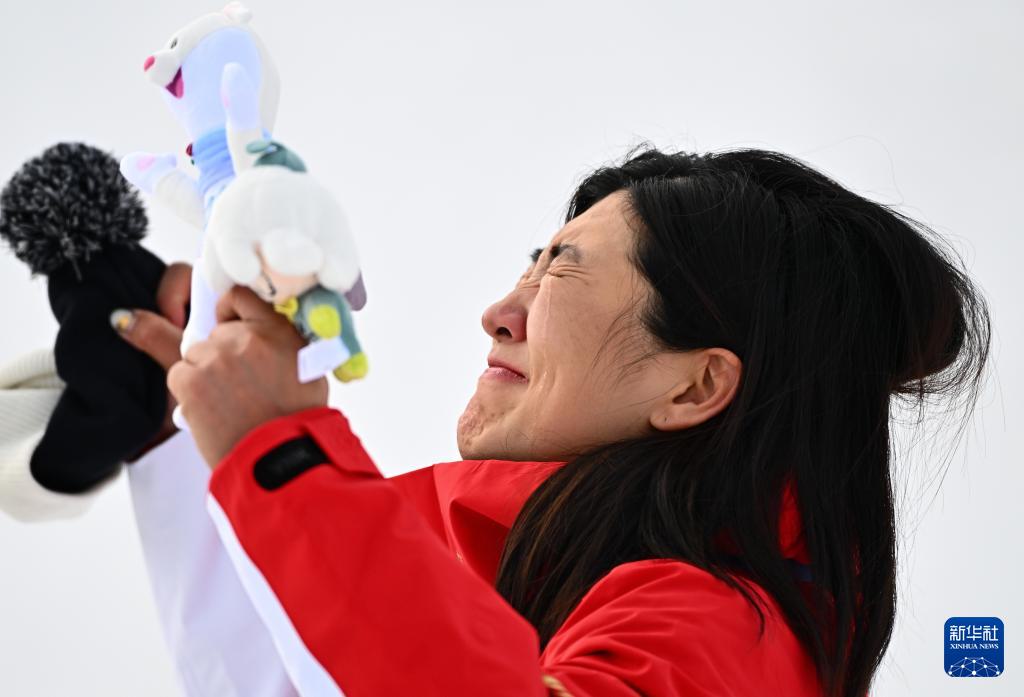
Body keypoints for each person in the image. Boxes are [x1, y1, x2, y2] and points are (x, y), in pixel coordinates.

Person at [112, 146, 989, 696]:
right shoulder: (585, 593)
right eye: (528, 266)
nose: (500, 313)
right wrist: (176, 440)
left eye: (562, 271)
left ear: (695, 388)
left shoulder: (720, 632)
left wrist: (284, 458)